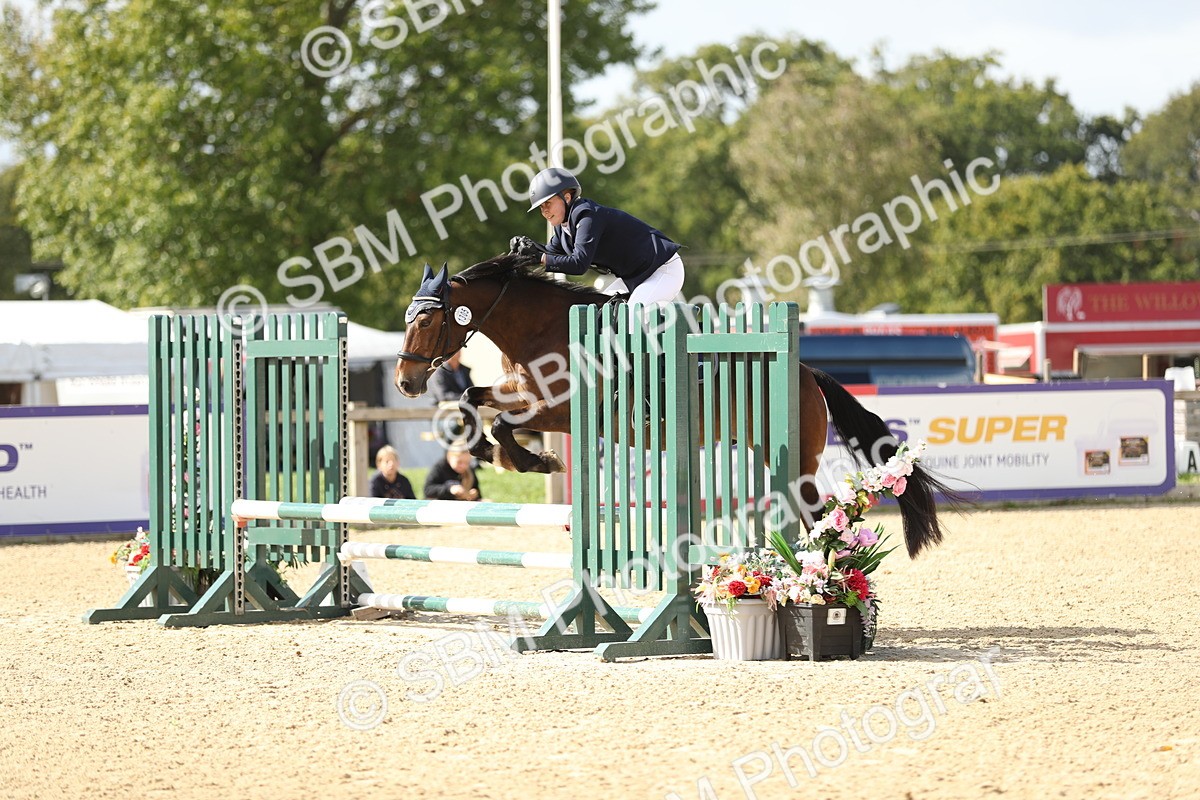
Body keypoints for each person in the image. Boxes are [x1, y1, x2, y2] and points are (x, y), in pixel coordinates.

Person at [509, 167, 685, 304]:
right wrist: (525, 253)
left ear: (567, 198)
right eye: (541, 207)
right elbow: (550, 255)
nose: (545, 211)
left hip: (663, 269)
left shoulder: (586, 216)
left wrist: (539, 257)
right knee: (600, 309)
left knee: (632, 319)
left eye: (548, 203)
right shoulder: (562, 227)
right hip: (635, 276)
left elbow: (579, 264)